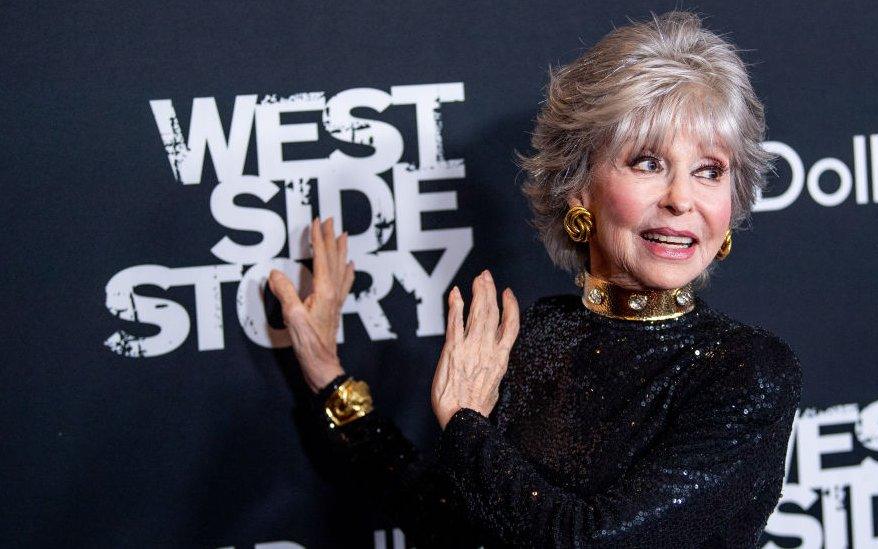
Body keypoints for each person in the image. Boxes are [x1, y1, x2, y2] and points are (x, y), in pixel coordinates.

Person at [268, 10, 802, 548]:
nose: (682, 199)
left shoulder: (748, 371)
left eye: (709, 171)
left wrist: (464, 425)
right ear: (578, 187)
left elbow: (591, 542)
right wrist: (327, 377)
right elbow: (444, 516)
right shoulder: (539, 333)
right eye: (647, 162)